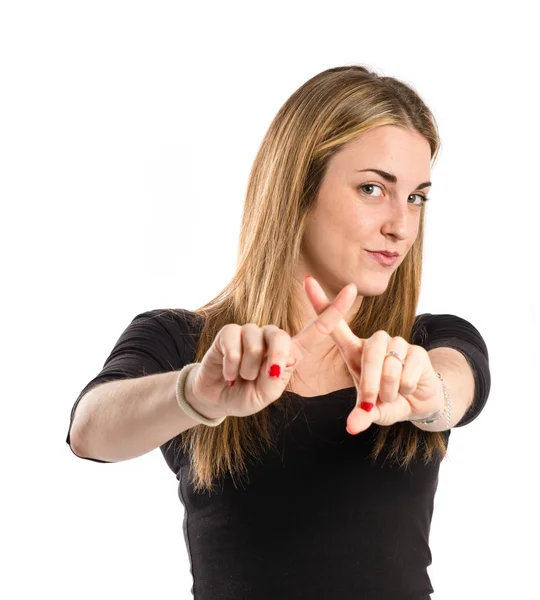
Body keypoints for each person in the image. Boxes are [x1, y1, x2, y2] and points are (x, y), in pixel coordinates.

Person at [66, 65, 491, 600]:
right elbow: (90, 429)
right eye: (372, 188)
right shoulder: (183, 341)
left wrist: (430, 395)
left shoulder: (425, 344)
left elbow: (460, 383)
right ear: (298, 188)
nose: (401, 226)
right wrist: (196, 392)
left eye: (415, 197)